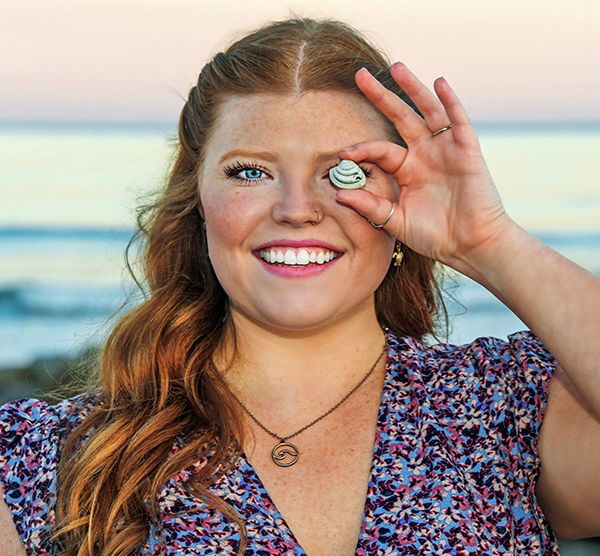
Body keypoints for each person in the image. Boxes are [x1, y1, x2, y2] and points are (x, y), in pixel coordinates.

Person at [1, 16, 600, 556]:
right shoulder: (50, 457)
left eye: (344, 172)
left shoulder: (505, 410)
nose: (297, 209)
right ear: (198, 203)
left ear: (401, 198)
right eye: (250, 172)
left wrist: (487, 241)